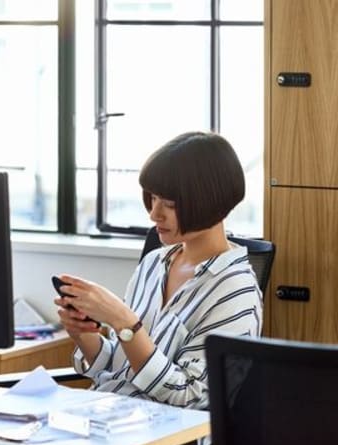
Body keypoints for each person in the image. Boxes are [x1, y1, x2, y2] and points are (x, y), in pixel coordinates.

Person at [55, 131, 262, 410]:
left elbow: (191, 395)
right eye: (152, 199)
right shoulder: (154, 263)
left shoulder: (236, 291)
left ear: (211, 201)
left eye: (170, 204)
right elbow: (121, 366)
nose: (154, 214)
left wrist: (125, 322)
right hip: (110, 417)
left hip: (169, 433)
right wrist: (85, 334)